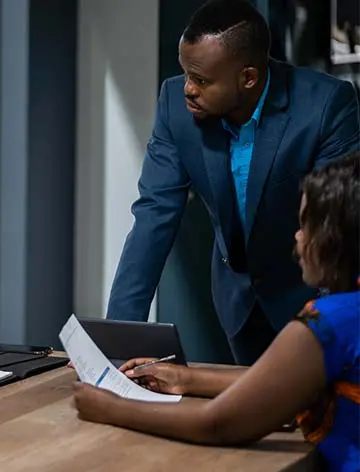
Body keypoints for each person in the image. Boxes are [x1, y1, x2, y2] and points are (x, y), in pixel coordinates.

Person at [106, 0, 360, 365]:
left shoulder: (325, 105)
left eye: (202, 80)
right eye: (186, 74)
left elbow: (335, 226)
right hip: (238, 302)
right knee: (252, 416)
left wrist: (328, 323)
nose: (188, 89)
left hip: (308, 293)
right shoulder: (175, 107)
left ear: (249, 77)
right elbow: (153, 216)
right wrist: (120, 340)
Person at [74, 153, 360, 472]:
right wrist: (186, 378)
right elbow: (277, 381)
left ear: (336, 238)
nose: (297, 236)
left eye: (306, 224)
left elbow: (220, 423)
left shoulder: (327, 322)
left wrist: (112, 408)